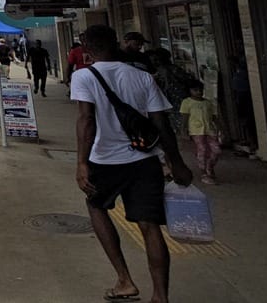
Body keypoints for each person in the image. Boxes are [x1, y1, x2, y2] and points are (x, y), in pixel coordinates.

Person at [72, 24, 192, 303]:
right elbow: (161, 125)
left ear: (86, 48)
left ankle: (124, 280)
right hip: (145, 161)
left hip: (104, 160)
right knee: (150, 226)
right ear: (115, 43)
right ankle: (160, 296)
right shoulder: (142, 77)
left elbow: (86, 120)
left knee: (96, 206)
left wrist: (81, 162)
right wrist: (176, 163)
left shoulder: (83, 77)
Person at [179, 80, 221, 184]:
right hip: (196, 130)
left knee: (216, 150)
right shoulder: (187, 102)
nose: (198, 92)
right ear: (190, 91)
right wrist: (184, 130)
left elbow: (214, 117)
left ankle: (209, 167)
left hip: (209, 130)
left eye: (200, 90)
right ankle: (204, 173)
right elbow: (185, 117)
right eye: (195, 90)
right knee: (202, 150)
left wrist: (221, 129)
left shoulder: (208, 103)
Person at [148, 48, 194, 136]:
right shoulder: (170, 69)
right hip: (176, 99)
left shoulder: (165, 70)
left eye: (155, 59)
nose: (154, 62)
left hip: (175, 99)